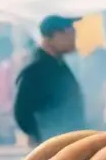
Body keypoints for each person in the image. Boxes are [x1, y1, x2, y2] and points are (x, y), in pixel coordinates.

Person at [13, 16, 87, 145]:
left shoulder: (59, 66)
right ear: (53, 36)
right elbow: (22, 112)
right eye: (69, 31)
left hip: (68, 140)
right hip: (51, 144)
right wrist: (39, 137)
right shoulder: (36, 71)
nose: (74, 36)